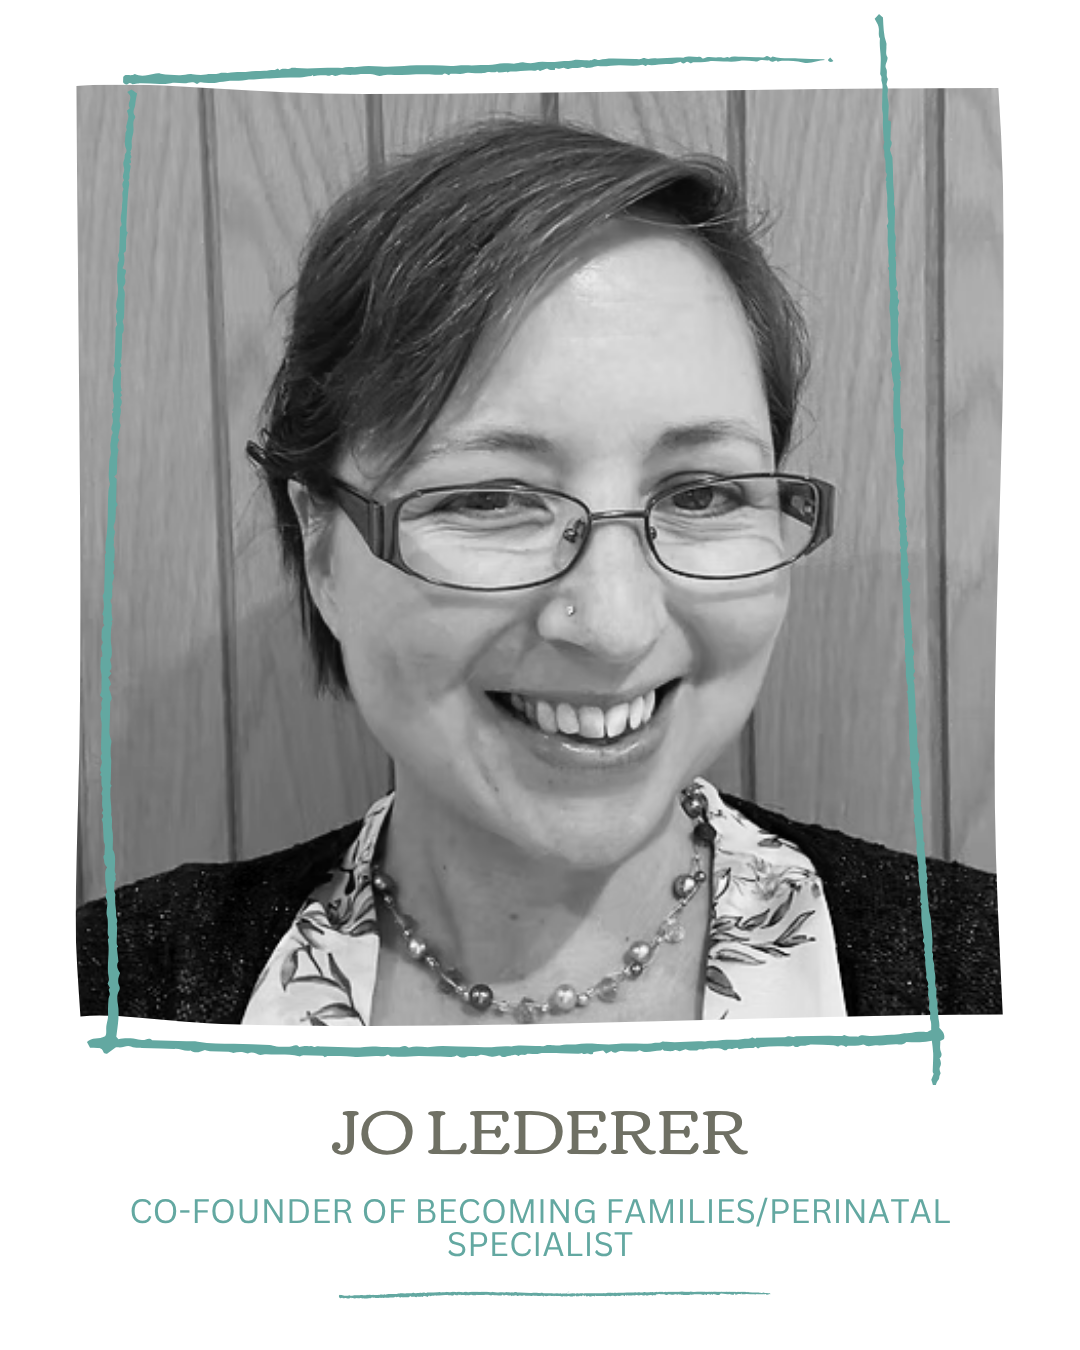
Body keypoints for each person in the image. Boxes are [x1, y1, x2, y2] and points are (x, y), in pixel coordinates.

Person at [78, 118, 1001, 1025]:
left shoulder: (996, 983)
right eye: (489, 500)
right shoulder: (107, 997)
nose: (615, 626)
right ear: (321, 545)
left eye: (702, 494)